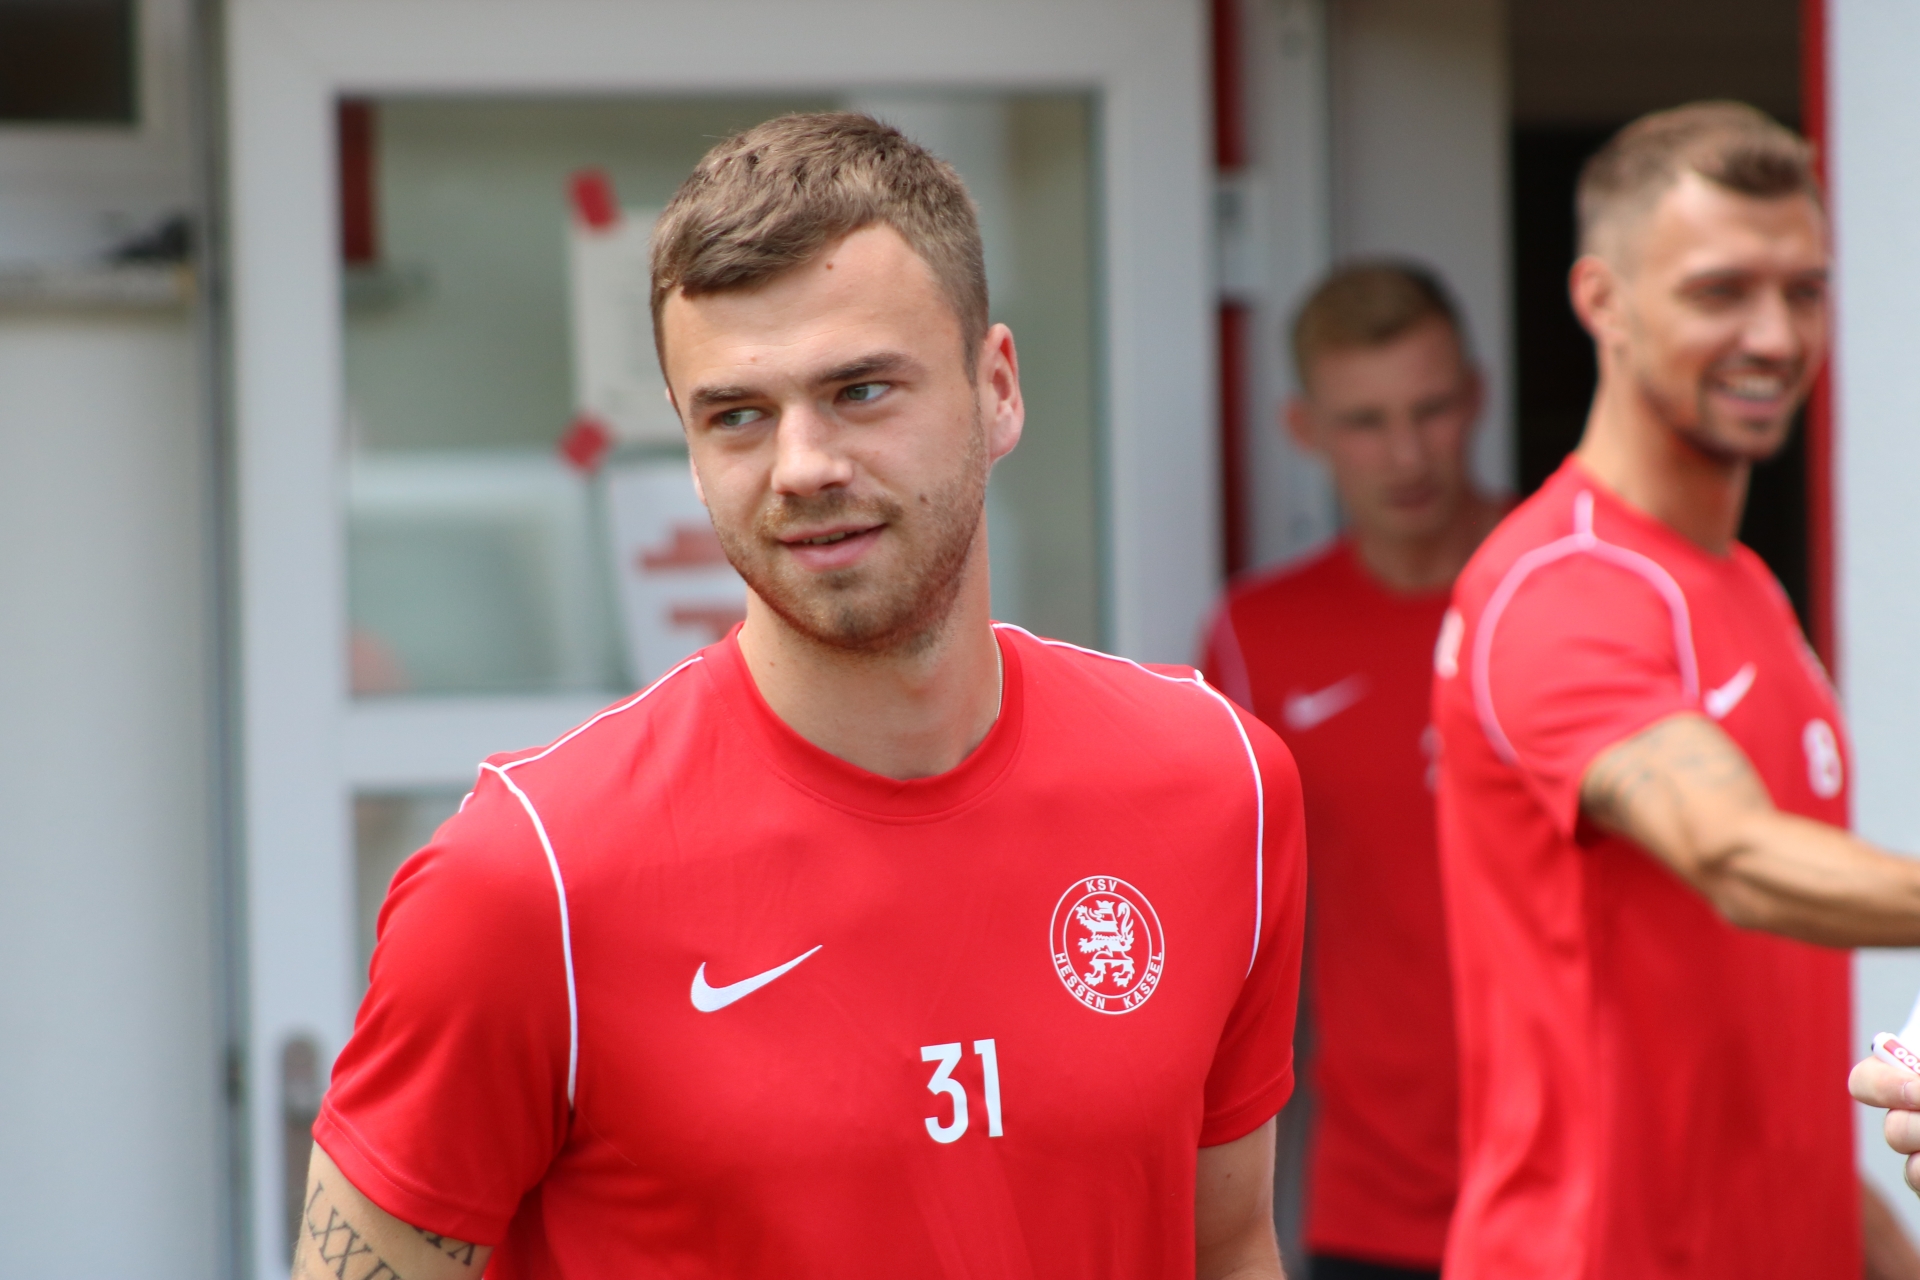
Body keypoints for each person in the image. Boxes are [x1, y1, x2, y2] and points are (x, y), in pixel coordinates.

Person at [291, 113, 1307, 1280]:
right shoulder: (529, 883)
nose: (803, 465)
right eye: (738, 414)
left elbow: (1228, 1245)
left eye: (861, 390)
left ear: (998, 388)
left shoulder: (1218, 784)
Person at [1433, 100, 1920, 1280]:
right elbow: (1735, 857)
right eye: (1720, 291)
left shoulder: (1738, 581)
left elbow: (1755, 1030)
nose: (1775, 334)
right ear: (1601, 299)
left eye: (1804, 290)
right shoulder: (1564, 587)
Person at [1201, 262, 1502, 1280]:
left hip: (1583, 1180)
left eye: (1431, 409)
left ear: (1477, 397)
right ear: (1305, 428)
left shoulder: (1563, 586)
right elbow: (1228, 938)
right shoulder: (1255, 636)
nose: (1407, 454)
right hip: (1373, 1196)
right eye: (1366, 422)